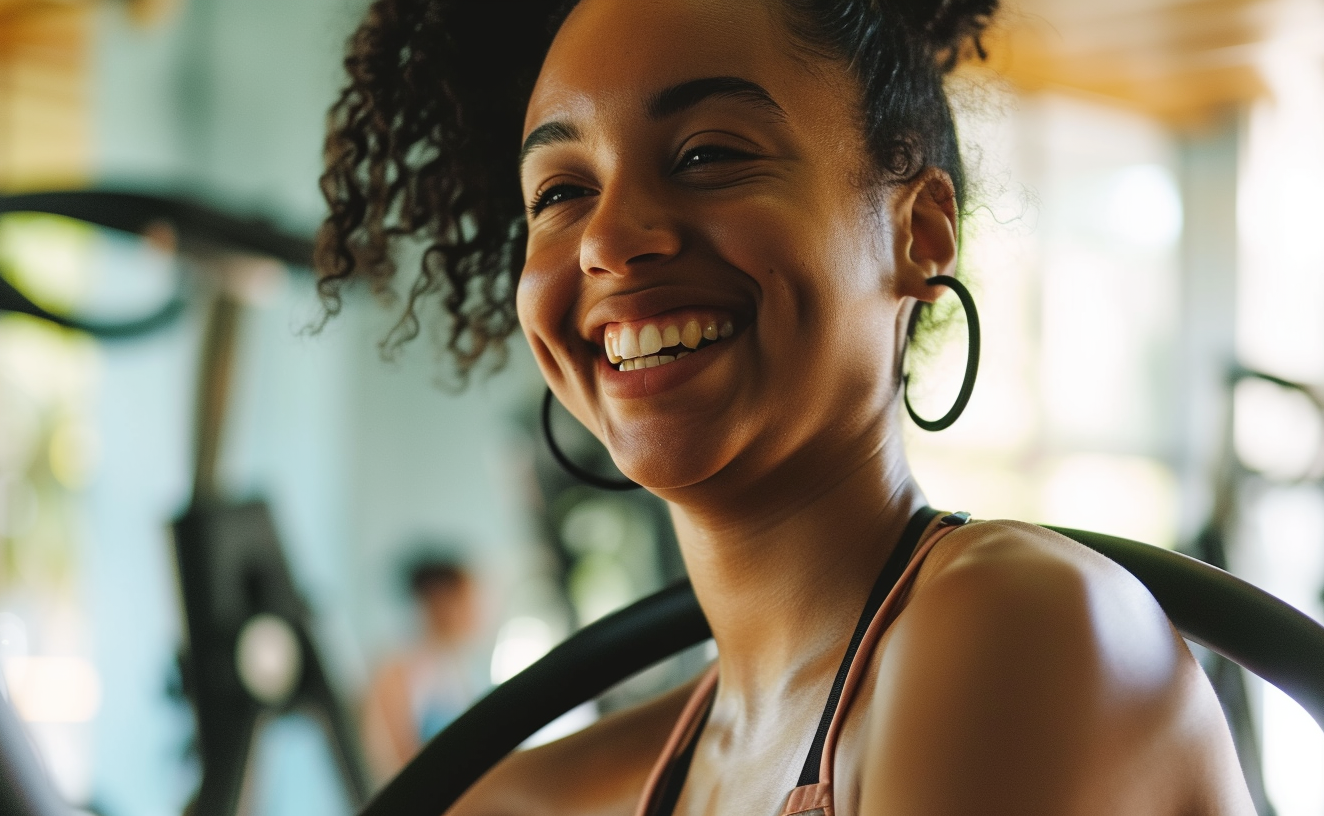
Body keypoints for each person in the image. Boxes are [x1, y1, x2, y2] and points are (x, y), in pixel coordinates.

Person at [318, 0, 1256, 813]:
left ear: (918, 232)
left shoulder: (1017, 624)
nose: (607, 239)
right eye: (561, 191)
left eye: (707, 155)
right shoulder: (545, 792)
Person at [361, 557, 481, 784]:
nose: (475, 612)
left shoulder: (456, 675)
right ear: (440, 599)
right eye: (467, 600)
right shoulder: (397, 669)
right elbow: (387, 761)